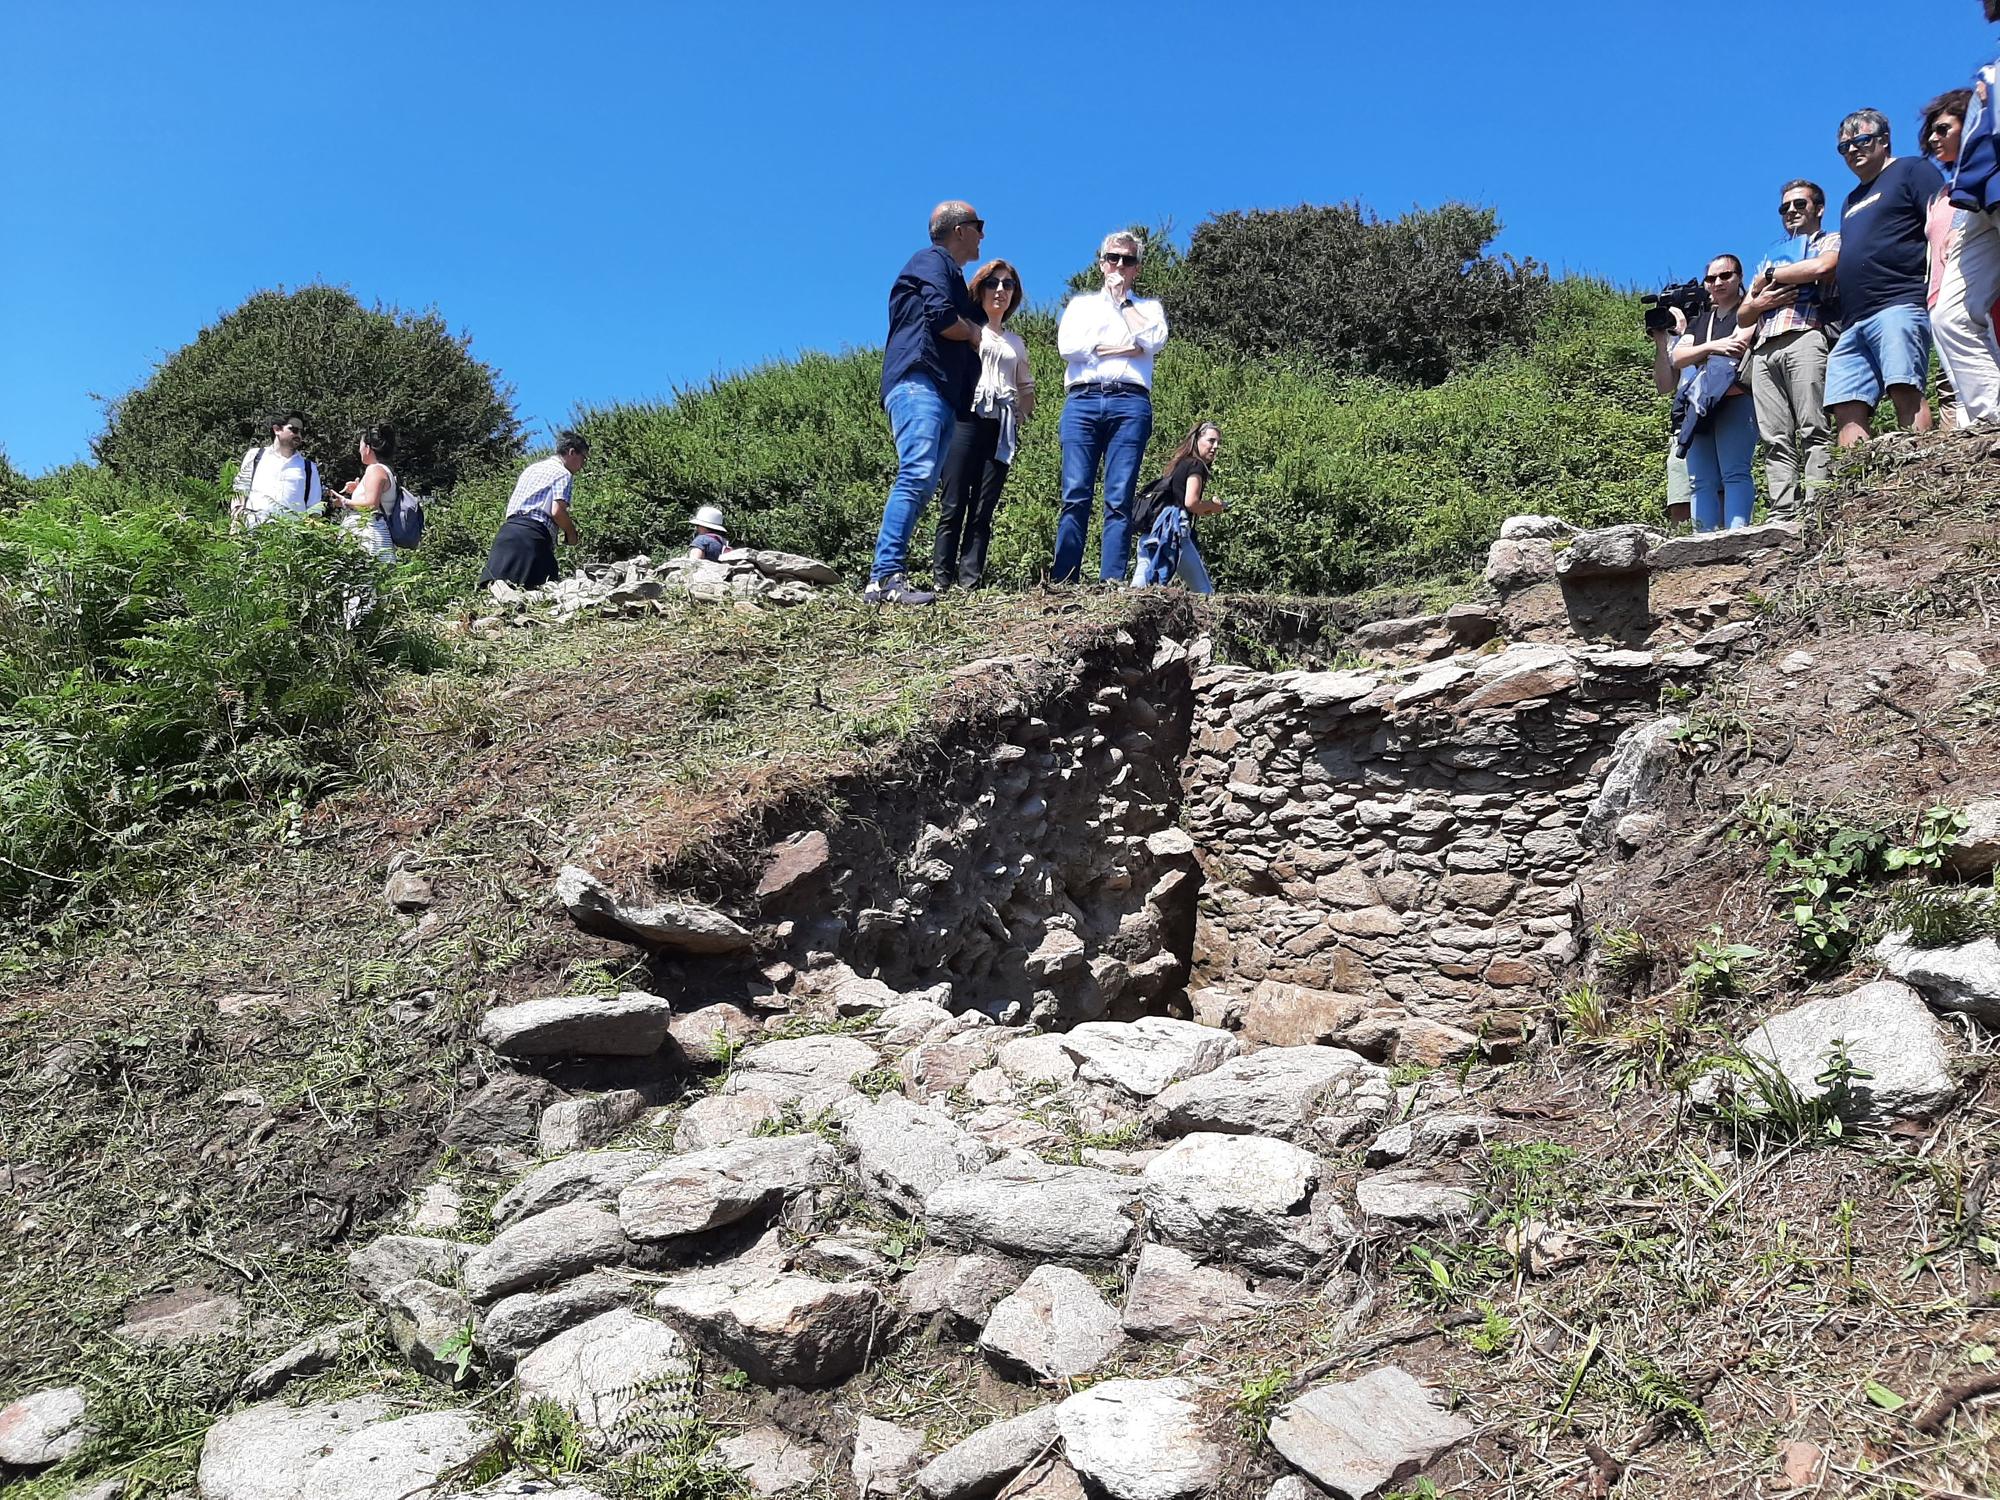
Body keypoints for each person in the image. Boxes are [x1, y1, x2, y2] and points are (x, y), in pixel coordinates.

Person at [866, 200, 986, 607]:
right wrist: (971, 332)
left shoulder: (946, 271)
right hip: (920, 382)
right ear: (958, 230)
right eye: (978, 225)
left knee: (923, 482)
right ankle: (884, 579)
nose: (982, 234)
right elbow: (941, 317)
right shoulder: (931, 260)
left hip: (938, 392)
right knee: (916, 474)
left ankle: (886, 576)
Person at [1053, 231, 1169, 583]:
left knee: (1119, 496)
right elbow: (1069, 348)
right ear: (1102, 262)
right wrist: (1123, 347)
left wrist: (1124, 307)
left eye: (1128, 260)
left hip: (1130, 402)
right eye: (1114, 258)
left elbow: (1153, 340)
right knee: (1075, 492)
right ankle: (1064, 581)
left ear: (1137, 267)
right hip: (1083, 400)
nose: (1120, 265)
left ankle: (1111, 582)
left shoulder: (1148, 308)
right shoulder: (1081, 305)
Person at [1826, 109, 1946, 446]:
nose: (1853, 150)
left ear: (1884, 139)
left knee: (1903, 385)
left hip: (1899, 302)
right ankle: (1857, 481)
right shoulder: (1850, 200)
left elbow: (1944, 218)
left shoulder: (1912, 170)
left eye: (1861, 140)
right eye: (1845, 146)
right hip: (1852, 320)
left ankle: (1920, 463)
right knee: (1847, 403)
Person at [1736, 182, 1841, 517]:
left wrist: (1769, 277)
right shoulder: (1773, 251)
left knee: (1814, 424)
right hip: (1766, 345)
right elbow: (1743, 313)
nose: (1791, 212)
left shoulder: (1830, 240)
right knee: (1774, 435)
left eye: (1799, 204)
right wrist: (1762, 298)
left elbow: (1822, 268)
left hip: (1806, 335)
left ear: (1818, 208)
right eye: (1785, 208)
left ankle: (1817, 504)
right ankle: (1784, 511)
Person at [932, 258, 1035, 591]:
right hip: (965, 418)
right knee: (953, 502)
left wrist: (1018, 416)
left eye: (1008, 285)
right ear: (980, 288)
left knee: (983, 508)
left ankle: (970, 582)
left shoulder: (1016, 342)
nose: (1000, 290)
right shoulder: (966, 327)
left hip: (1000, 427)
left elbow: (1026, 387)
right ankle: (941, 581)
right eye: (993, 283)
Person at [1652, 256, 1756, 532]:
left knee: (1735, 472)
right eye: (1711, 278)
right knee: (1700, 481)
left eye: (1725, 276)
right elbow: (1678, 357)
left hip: (1734, 398)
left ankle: (1738, 534)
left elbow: (1738, 345)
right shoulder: (1701, 321)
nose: (1718, 283)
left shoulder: (1748, 311)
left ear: (1740, 277)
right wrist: (1715, 346)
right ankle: (1704, 537)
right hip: (1699, 404)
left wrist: (1703, 350)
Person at [1922, 89, 2000, 427]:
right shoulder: (1948, 188)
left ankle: (1990, 415)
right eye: (1930, 132)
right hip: (1975, 209)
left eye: (1942, 129)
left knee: (1953, 318)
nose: (1933, 138)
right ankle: (1987, 417)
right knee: (1949, 320)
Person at [481, 432, 588, 589]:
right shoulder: (563, 473)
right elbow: (557, 511)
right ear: (572, 452)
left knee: (497, 597)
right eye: (583, 458)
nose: (583, 465)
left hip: (506, 534)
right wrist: (572, 534)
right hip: (532, 539)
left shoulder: (531, 469)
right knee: (543, 593)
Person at [1131, 421, 1223, 593]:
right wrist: (1214, 507)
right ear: (1197, 439)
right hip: (1174, 535)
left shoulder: (1179, 464)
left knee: (1139, 587)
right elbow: (1191, 503)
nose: (1215, 447)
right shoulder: (1196, 465)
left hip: (1150, 534)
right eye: (1211, 441)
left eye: (1218, 442)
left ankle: (1127, 616)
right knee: (1204, 591)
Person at [230, 412, 321, 530]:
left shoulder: (309, 467)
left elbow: (314, 508)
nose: (298, 435)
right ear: (277, 429)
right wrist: (236, 521)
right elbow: (240, 490)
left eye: (301, 432)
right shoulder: (255, 456)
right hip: (252, 530)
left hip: (291, 537)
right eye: (293, 430)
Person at [331, 423, 398, 561]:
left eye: (360, 446)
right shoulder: (384, 470)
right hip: (375, 535)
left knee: (366, 580)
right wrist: (358, 490)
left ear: (368, 448)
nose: (359, 450)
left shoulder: (375, 470)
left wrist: (344, 502)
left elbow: (371, 505)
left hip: (368, 537)